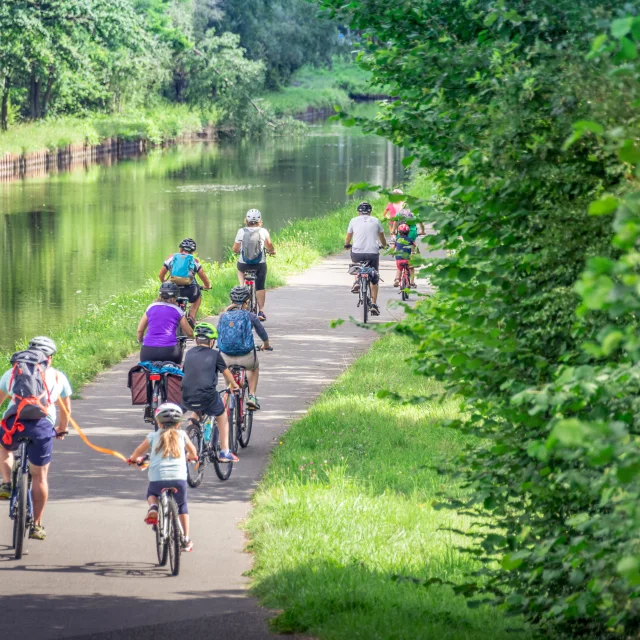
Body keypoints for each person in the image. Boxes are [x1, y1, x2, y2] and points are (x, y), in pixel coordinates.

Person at [0, 336, 71, 541]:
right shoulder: (58, 377)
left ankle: (6, 483)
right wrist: (62, 429)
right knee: (40, 476)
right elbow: (65, 409)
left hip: (15, 423)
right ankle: (37, 525)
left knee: (4, 447)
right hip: (42, 426)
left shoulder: (13, 373)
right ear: (49, 357)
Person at [127, 403, 198, 552]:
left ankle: (153, 507)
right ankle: (185, 538)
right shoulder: (182, 435)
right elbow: (193, 452)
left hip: (158, 478)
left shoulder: (153, 436)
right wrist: (191, 457)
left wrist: (133, 459)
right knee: (182, 505)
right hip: (179, 479)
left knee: (152, 493)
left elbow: (139, 451)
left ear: (158, 422)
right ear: (179, 423)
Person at [181, 322, 241, 463]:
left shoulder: (189, 353)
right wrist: (234, 385)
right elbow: (226, 373)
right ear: (212, 341)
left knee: (196, 410)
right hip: (207, 396)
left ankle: (188, 433)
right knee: (222, 415)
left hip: (187, 395)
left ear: (196, 340)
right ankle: (225, 451)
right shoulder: (215, 355)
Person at [217, 286, 271, 410]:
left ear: (231, 301)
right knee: (254, 367)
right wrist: (266, 344)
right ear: (247, 301)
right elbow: (261, 332)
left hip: (226, 358)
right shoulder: (250, 316)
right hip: (246, 357)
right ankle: (252, 395)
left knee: (227, 372)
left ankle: (228, 393)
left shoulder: (223, 316)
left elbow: (218, 333)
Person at [344, 201, 388, 317]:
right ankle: (374, 304)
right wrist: (384, 245)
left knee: (356, 263)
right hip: (372, 253)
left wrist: (347, 244)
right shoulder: (376, 220)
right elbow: (382, 237)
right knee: (374, 277)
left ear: (359, 212)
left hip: (357, 252)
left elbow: (349, 236)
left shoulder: (353, 221)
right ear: (370, 212)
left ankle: (357, 280)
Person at [232, 209, 275, 322]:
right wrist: (272, 252)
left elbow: (235, 249)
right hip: (259, 264)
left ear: (246, 220)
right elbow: (269, 246)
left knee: (240, 269)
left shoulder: (241, 231)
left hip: (244, 264)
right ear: (260, 220)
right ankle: (261, 311)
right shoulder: (263, 231)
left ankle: (242, 287)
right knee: (260, 286)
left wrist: (237, 251)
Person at [137, 282, 194, 365]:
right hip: (170, 351)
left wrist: (140, 340)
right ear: (175, 296)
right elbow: (189, 332)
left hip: (148, 351)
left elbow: (140, 330)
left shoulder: (151, 307)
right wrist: (193, 337)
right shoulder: (177, 310)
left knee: (146, 371)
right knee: (176, 373)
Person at [158, 238, 211, 325]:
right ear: (192, 252)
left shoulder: (171, 258)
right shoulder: (194, 261)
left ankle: (166, 318)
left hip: (173, 290)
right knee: (198, 297)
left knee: (165, 299)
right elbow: (204, 277)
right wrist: (207, 286)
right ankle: (191, 317)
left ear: (180, 249)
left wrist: (164, 282)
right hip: (190, 291)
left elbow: (161, 275)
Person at [393, 223, 417, 288]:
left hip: (399, 259)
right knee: (411, 268)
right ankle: (412, 282)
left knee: (399, 269)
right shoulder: (410, 239)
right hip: (407, 259)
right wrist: (417, 252)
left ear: (399, 232)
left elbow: (393, 248)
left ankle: (397, 279)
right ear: (408, 232)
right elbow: (415, 246)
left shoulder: (397, 239)